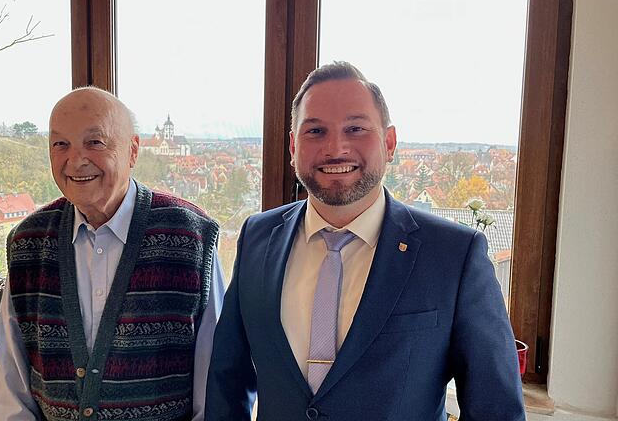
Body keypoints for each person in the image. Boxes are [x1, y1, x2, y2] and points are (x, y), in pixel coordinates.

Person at [205, 61, 525, 420]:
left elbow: (496, 409)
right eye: (315, 131)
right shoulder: (257, 239)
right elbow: (227, 381)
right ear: (293, 147)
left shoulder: (454, 255)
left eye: (355, 128)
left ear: (389, 143)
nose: (336, 147)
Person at [0, 87, 223, 421]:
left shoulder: (192, 237)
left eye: (95, 142)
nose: (76, 160)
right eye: (60, 144)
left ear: (132, 150)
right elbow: (12, 389)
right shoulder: (28, 242)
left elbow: (215, 386)